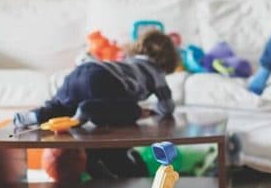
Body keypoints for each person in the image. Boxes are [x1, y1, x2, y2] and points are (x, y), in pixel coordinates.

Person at [13, 30, 178, 128]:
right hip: (102, 79)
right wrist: (156, 111)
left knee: (61, 106)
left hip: (80, 72)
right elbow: (167, 105)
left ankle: (32, 117)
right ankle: (89, 109)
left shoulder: (128, 62)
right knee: (131, 109)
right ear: (168, 59)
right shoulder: (157, 74)